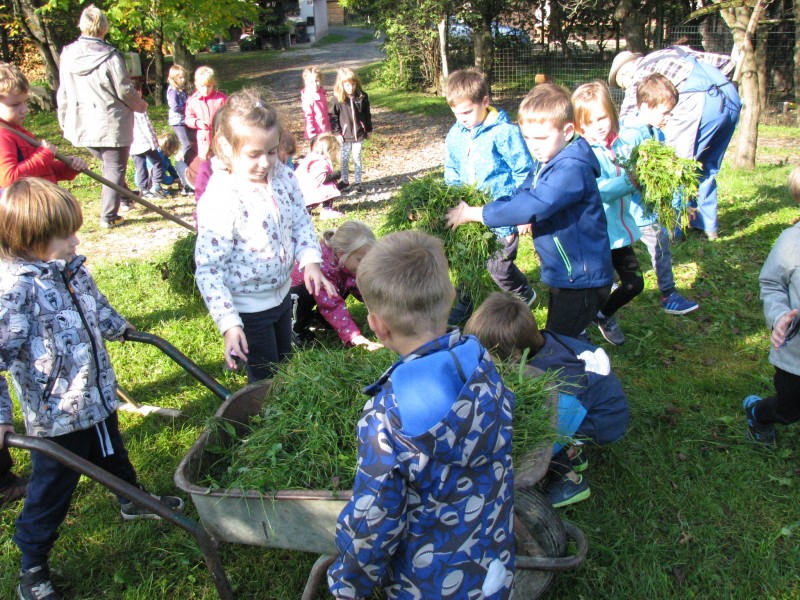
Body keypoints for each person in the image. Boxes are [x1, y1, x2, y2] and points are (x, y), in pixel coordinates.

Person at [0, 178, 184, 600]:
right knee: (51, 493)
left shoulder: (71, 268)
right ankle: (32, 567)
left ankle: (132, 500)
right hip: (58, 418)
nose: (76, 241)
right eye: (66, 235)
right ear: (32, 239)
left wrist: (119, 327)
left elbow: (94, 304)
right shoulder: (15, 293)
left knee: (113, 455)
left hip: (97, 397)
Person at [328, 230, 515, 599]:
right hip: (494, 564)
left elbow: (374, 519)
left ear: (377, 326)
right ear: (452, 296)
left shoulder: (387, 415)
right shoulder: (482, 362)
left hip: (427, 584)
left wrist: (346, 585)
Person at [446, 83, 614, 338]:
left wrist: (475, 214)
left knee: (558, 341)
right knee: (567, 333)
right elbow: (522, 194)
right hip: (565, 272)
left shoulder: (571, 168)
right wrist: (492, 208)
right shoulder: (547, 159)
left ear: (568, 131)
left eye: (541, 138)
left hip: (582, 277)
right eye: (527, 138)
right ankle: (578, 347)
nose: (533, 146)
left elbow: (536, 203)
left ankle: (582, 359)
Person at [194, 87, 336, 382]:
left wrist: (310, 260)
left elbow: (300, 221)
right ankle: (265, 409)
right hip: (248, 307)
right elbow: (209, 270)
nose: (265, 162)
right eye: (254, 154)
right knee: (265, 379)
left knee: (283, 366)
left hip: (282, 294)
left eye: (271, 151)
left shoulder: (283, 176)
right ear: (226, 147)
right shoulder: (222, 197)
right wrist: (229, 323)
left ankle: (281, 400)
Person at [464, 292, 629, 508]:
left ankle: (568, 481)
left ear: (515, 355)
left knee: (533, 433)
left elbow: (547, 434)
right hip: (587, 403)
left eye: (489, 356)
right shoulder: (540, 346)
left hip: (604, 422)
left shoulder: (559, 385)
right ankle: (573, 452)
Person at [609, 45, 741, 240]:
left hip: (696, 98)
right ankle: (707, 226)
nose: (627, 88)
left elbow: (628, 118)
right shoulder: (669, 53)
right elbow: (727, 63)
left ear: (625, 74)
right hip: (728, 95)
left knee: (677, 165)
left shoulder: (639, 75)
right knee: (706, 165)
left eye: (623, 85)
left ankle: (673, 229)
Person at [444, 68, 537, 324]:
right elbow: (451, 170)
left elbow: (523, 172)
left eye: (467, 112)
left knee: (499, 267)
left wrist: (523, 213)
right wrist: (452, 199)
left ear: (485, 101)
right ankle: (465, 303)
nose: (462, 119)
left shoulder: (504, 132)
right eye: (456, 113)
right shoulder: (455, 134)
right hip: (468, 212)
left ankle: (523, 292)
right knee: (466, 260)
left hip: (503, 213)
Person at [57, 4, 148, 229]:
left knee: (110, 166)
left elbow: (63, 90)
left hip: (81, 120)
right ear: (103, 28)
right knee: (113, 168)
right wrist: (140, 105)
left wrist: (64, 118)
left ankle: (124, 197)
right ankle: (109, 216)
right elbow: (124, 90)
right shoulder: (110, 56)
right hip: (110, 120)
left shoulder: (67, 54)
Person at [619, 72, 699, 316]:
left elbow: (664, 173)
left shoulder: (655, 131)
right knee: (655, 248)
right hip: (637, 208)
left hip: (649, 206)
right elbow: (628, 171)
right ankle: (668, 294)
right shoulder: (632, 134)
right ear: (645, 106)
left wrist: (679, 203)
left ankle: (665, 292)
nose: (668, 117)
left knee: (653, 246)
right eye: (665, 112)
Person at [572, 81, 644, 347]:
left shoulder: (622, 143)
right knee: (595, 286)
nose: (598, 126)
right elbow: (598, 191)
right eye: (589, 122)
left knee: (634, 284)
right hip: (597, 234)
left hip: (620, 232)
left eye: (602, 118)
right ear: (579, 125)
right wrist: (630, 181)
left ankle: (603, 315)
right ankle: (576, 329)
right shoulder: (584, 152)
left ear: (611, 112)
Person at [744, 165, 800, 445]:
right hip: (796, 355)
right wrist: (780, 316)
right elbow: (771, 284)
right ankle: (759, 413)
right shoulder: (792, 242)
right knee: (790, 409)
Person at [289, 220, 382, 350]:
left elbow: (358, 287)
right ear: (342, 253)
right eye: (360, 260)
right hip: (295, 293)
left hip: (326, 289)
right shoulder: (324, 267)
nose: (365, 265)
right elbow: (331, 305)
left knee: (346, 283)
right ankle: (295, 329)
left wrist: (381, 306)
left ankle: (322, 318)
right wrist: (353, 336)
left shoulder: (347, 263)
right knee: (304, 295)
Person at [0, 62, 88, 190]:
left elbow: (41, 171)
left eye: (25, 102)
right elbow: (9, 179)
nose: (24, 109)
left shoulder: (17, 131)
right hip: (26, 202)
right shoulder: (3, 135)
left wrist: (67, 167)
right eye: (15, 105)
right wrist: (44, 155)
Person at [331, 67, 372, 194]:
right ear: (342, 85)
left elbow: (367, 114)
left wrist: (368, 129)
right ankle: (345, 181)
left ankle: (358, 182)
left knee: (357, 157)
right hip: (344, 135)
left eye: (353, 84)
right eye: (347, 85)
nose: (351, 88)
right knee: (344, 159)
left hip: (359, 134)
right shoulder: (337, 99)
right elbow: (333, 117)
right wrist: (337, 133)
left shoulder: (362, 96)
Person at [295, 132, 343, 220]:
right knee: (329, 185)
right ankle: (326, 210)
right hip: (309, 190)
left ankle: (304, 211)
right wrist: (337, 174)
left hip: (301, 189)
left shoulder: (312, 157)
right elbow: (322, 178)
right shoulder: (320, 161)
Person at [185, 66, 228, 161]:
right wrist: (197, 123)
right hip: (204, 138)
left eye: (209, 86)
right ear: (196, 85)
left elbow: (229, 114)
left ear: (213, 84)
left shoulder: (221, 99)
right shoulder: (193, 101)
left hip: (220, 136)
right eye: (202, 86)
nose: (206, 89)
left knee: (222, 159)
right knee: (206, 161)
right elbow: (188, 118)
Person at [129, 92, 166, 201]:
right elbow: (146, 127)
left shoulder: (125, 107)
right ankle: (156, 185)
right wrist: (154, 142)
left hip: (133, 143)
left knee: (140, 166)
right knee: (158, 162)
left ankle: (143, 189)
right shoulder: (140, 107)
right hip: (145, 142)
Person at [165, 64, 194, 171]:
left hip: (185, 119)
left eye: (184, 77)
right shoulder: (172, 90)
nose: (183, 80)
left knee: (192, 141)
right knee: (186, 144)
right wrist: (187, 108)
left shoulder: (182, 89)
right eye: (180, 78)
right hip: (177, 121)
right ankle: (185, 166)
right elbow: (175, 106)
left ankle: (190, 161)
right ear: (173, 78)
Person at [300, 66, 331, 145]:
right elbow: (308, 116)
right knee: (318, 150)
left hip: (325, 128)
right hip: (316, 132)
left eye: (317, 81)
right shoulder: (308, 97)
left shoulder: (322, 92)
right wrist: (311, 133)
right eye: (311, 82)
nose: (315, 84)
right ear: (306, 82)